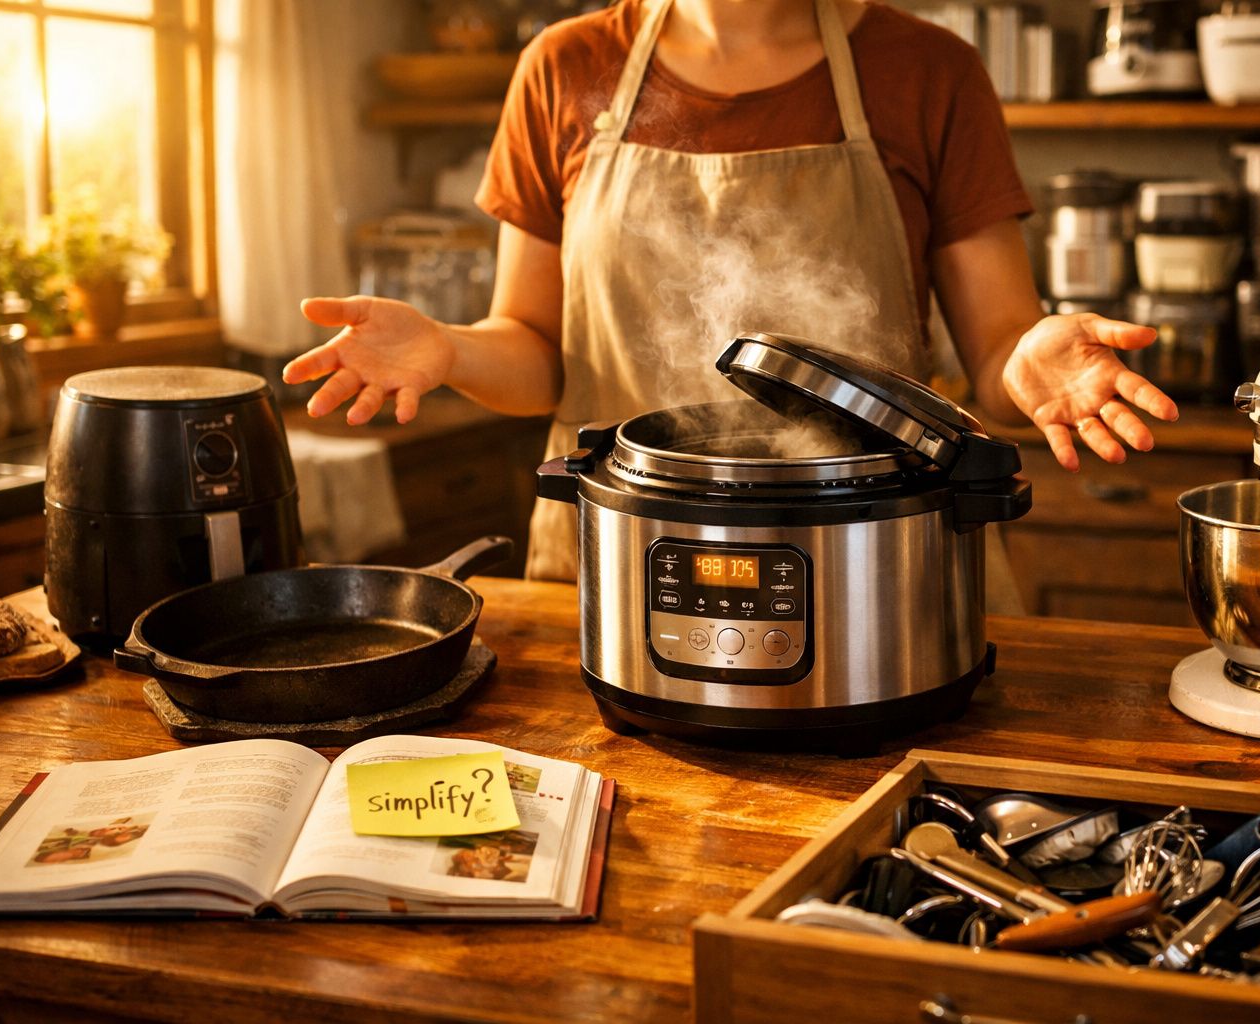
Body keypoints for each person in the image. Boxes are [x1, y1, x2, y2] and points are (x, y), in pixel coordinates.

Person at [285, 0, 1178, 605]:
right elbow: (534, 352)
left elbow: (993, 354)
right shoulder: (565, 67)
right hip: (625, 555)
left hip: (872, 561)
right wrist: (448, 349)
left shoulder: (927, 70)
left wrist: (1023, 358)